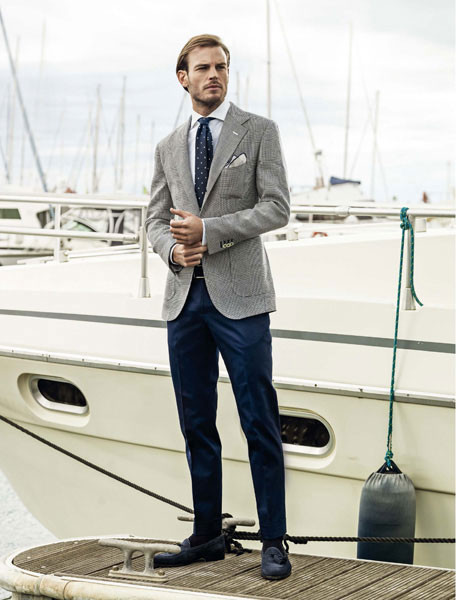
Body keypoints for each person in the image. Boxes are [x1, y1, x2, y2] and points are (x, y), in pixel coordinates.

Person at [145, 33, 291, 580]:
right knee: (196, 422)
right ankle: (207, 534)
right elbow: (154, 219)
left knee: (259, 420)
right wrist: (173, 250)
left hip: (242, 299)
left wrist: (210, 231)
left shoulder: (259, 131)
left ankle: (274, 540)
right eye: (203, 68)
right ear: (183, 77)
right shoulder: (167, 146)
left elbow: (276, 207)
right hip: (185, 300)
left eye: (222, 67)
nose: (214, 75)